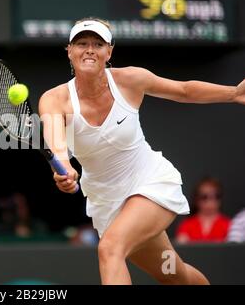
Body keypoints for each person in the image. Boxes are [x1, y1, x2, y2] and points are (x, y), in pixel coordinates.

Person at [38, 17, 245, 285]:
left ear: (109, 51)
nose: (89, 49)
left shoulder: (131, 79)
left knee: (110, 249)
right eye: (81, 43)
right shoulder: (54, 100)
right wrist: (64, 170)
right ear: (69, 51)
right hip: (109, 202)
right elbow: (57, 145)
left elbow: (183, 90)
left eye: (97, 43)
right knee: (173, 274)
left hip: (150, 184)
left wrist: (234, 94)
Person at [175, 177, 231, 243]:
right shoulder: (187, 225)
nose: (210, 201)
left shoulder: (229, 225)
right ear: (196, 199)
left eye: (216, 196)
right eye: (204, 197)